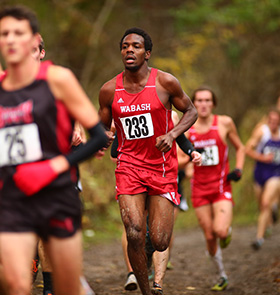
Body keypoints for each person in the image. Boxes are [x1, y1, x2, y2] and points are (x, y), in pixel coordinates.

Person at [0, 5, 109, 295]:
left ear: (33, 39)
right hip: (13, 198)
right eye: (4, 34)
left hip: (56, 194)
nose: (11, 40)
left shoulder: (57, 79)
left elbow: (98, 137)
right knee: (15, 283)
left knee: (66, 287)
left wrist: (57, 165)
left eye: (18, 33)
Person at [99, 27, 197, 295]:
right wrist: (104, 137)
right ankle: (145, 290)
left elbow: (191, 110)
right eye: (125, 46)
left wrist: (173, 134)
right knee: (133, 232)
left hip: (162, 167)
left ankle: (150, 250)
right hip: (129, 166)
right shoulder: (109, 89)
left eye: (136, 46)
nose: (129, 50)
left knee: (160, 240)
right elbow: (101, 126)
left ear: (148, 53)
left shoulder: (165, 83)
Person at [187, 85, 245, 291]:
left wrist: (238, 168)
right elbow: (177, 157)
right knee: (210, 237)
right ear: (193, 104)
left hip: (221, 187)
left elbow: (240, 147)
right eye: (199, 101)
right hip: (199, 190)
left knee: (219, 231)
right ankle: (221, 275)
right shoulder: (188, 129)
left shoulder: (225, 123)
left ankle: (226, 228)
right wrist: (188, 163)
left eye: (207, 100)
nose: (203, 104)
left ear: (213, 103)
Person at [245, 108, 280, 250]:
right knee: (262, 204)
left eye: (276, 122)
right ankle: (270, 221)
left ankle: (259, 238)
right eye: (270, 121)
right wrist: (262, 158)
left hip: (276, 173)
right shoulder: (262, 132)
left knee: (266, 202)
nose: (273, 124)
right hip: (260, 172)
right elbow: (248, 149)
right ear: (267, 120)